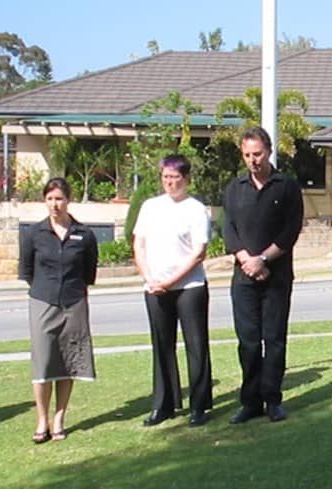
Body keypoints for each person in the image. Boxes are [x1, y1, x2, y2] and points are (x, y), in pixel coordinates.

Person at [223, 126, 303, 424]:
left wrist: (263, 259)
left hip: (277, 276)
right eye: (247, 155)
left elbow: (291, 229)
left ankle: (272, 400)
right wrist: (246, 259)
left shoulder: (287, 186)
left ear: (269, 151)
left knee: (274, 339)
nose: (253, 160)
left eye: (257, 154)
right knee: (248, 342)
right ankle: (250, 402)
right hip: (243, 278)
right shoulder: (234, 188)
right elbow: (228, 228)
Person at [133, 155, 213, 427]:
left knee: (196, 345)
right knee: (162, 346)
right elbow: (139, 244)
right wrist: (150, 278)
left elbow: (198, 253)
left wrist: (170, 281)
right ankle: (164, 404)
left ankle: (199, 406)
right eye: (166, 177)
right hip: (155, 287)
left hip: (189, 287)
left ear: (186, 179)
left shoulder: (196, 209)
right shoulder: (150, 207)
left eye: (175, 178)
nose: (170, 183)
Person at [19, 177, 98, 443]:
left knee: (69, 362)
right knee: (43, 363)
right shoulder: (34, 234)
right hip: (43, 300)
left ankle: (59, 419)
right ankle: (41, 420)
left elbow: (88, 273)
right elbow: (27, 271)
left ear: (68, 200)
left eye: (59, 198)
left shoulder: (84, 235)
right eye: (50, 199)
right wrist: (47, 289)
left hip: (74, 302)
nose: (55, 204)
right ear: (45, 201)